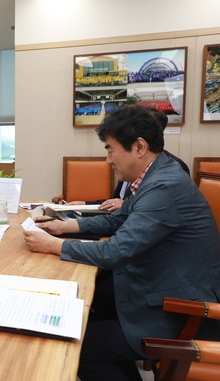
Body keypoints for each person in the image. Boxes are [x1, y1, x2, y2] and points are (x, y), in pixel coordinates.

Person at [24, 105, 220, 381]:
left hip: (178, 310)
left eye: (110, 149)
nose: (107, 160)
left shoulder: (165, 186)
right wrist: (64, 226)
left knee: (82, 346)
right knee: (83, 309)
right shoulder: (157, 175)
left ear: (139, 147)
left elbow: (117, 251)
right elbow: (118, 220)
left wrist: (53, 245)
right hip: (158, 287)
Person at [67, 108, 190, 212]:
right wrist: (84, 205)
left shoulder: (169, 174)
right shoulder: (129, 166)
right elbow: (115, 202)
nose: (108, 161)